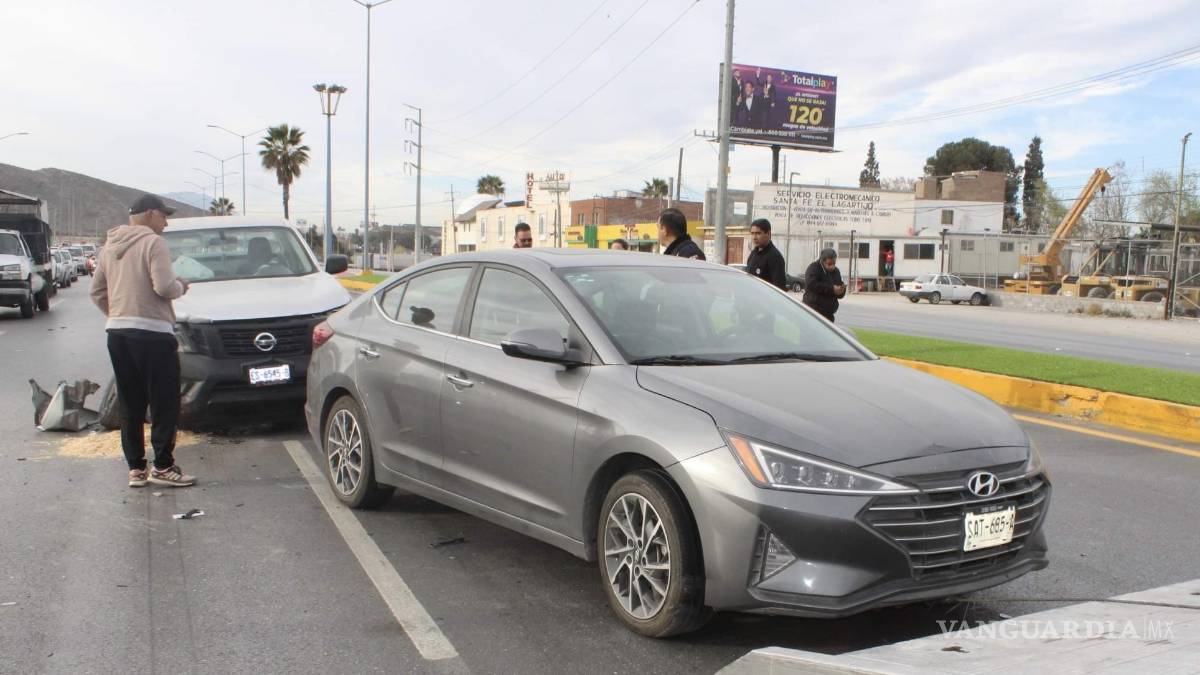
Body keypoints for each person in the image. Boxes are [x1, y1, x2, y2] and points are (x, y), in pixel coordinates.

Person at [90, 194, 195, 488]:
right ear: (150, 214)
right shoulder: (153, 242)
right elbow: (164, 286)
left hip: (118, 334)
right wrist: (181, 286)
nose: (166, 222)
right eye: (164, 216)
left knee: (130, 402)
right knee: (164, 401)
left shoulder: (109, 246)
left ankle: (136, 469)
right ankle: (163, 466)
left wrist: (119, 314)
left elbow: (96, 292)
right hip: (153, 334)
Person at [802, 248, 845, 322]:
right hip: (812, 312)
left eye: (834, 263)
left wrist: (841, 291)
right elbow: (812, 284)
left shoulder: (836, 271)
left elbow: (839, 285)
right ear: (822, 261)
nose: (832, 266)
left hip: (829, 315)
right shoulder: (813, 268)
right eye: (829, 264)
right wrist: (832, 289)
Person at [745, 219, 787, 290]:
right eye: (752, 233)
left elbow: (779, 288)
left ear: (768, 234)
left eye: (758, 233)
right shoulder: (753, 254)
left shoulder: (774, 256)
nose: (754, 237)